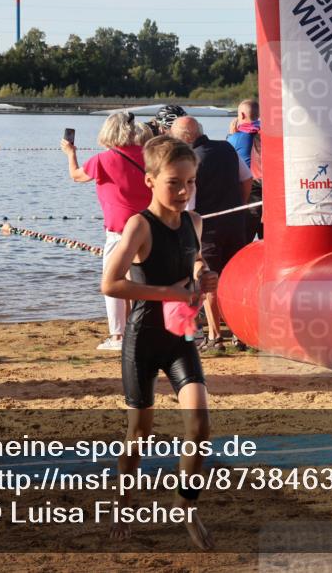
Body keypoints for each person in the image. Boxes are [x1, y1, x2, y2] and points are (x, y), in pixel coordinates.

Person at [100, 135, 217, 550]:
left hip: (180, 335)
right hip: (143, 339)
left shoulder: (194, 221)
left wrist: (203, 274)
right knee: (139, 434)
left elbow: (194, 258)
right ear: (150, 180)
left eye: (191, 182)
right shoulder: (139, 225)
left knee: (200, 424)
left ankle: (186, 505)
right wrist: (170, 292)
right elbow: (111, 284)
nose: (184, 191)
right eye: (174, 183)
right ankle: (122, 504)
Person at [61, 111, 153, 351]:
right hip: (150, 227)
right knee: (142, 281)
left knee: (112, 281)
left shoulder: (102, 160)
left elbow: (76, 176)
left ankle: (119, 336)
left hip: (120, 230)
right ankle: (144, 330)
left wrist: (70, 153)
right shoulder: (149, 156)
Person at [170, 116, 251, 352]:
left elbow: (189, 205)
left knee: (208, 280)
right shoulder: (226, 147)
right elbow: (247, 179)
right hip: (236, 223)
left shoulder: (190, 161)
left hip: (207, 228)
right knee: (235, 278)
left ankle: (216, 337)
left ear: (184, 138)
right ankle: (239, 333)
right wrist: (239, 205)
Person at [228, 99, 264, 241]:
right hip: (269, 190)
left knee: (244, 240)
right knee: (266, 239)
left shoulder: (237, 138)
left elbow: (225, 157)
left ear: (242, 115)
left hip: (250, 192)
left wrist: (231, 135)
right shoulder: (265, 132)